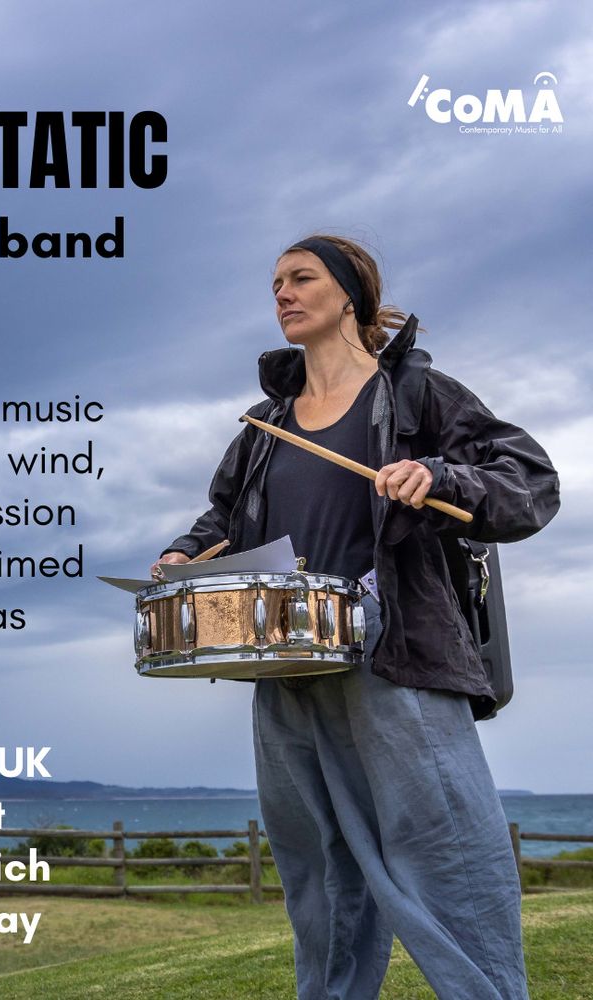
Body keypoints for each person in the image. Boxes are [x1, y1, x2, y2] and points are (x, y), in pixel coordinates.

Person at [151, 234, 560, 1000]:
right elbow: (223, 525)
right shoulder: (265, 425)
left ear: (350, 294)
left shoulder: (416, 396)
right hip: (283, 657)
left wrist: (439, 474)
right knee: (320, 873)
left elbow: (529, 480)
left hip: (393, 645)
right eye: (275, 282)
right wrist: (183, 558)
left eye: (301, 278)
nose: (282, 292)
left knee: (445, 859)